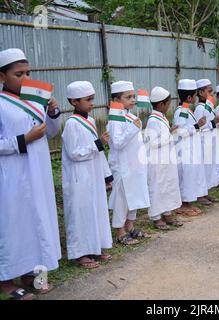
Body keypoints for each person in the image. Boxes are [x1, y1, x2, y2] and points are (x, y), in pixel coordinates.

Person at [0, 48, 62, 300]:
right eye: (18, 74)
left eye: (28, 72)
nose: (25, 78)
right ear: (2, 76)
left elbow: (49, 133)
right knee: (12, 225)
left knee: (35, 221)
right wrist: (22, 140)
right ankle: (4, 281)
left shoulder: (35, 99)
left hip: (38, 172)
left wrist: (53, 113)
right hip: (11, 176)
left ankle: (29, 272)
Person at [62, 81, 113, 269]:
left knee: (95, 210)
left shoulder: (90, 121)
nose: (92, 103)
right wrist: (98, 143)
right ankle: (80, 253)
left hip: (93, 175)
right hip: (78, 177)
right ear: (74, 101)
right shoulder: (70, 124)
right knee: (80, 213)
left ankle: (95, 247)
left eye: (92, 99)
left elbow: (98, 153)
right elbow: (74, 152)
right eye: (88, 99)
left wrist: (107, 175)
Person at [107, 81, 150, 245]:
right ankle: (120, 231)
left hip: (135, 164)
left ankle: (130, 226)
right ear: (117, 99)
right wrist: (133, 128)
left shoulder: (131, 116)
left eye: (133, 96)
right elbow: (117, 143)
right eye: (128, 97)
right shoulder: (115, 118)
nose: (133, 100)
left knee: (135, 195)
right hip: (122, 166)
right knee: (122, 198)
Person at [145, 86, 183, 230]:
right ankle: (156, 216)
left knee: (168, 185)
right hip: (157, 161)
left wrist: (169, 132)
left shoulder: (161, 118)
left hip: (166, 159)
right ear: (161, 104)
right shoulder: (153, 120)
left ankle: (167, 212)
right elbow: (153, 142)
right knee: (157, 187)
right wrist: (170, 135)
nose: (169, 106)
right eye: (168, 104)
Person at [173, 79, 208, 216]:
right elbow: (180, 131)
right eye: (194, 95)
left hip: (190, 149)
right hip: (184, 151)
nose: (196, 98)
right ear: (189, 97)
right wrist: (197, 126)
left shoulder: (186, 109)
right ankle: (183, 204)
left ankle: (188, 202)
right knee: (186, 176)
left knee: (190, 175)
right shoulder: (182, 111)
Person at [195, 78, 219, 200]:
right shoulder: (200, 108)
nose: (211, 94)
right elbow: (200, 127)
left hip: (210, 142)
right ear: (200, 93)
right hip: (203, 142)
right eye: (209, 91)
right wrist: (213, 122)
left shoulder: (207, 107)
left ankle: (205, 192)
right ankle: (200, 194)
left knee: (209, 168)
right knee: (203, 170)